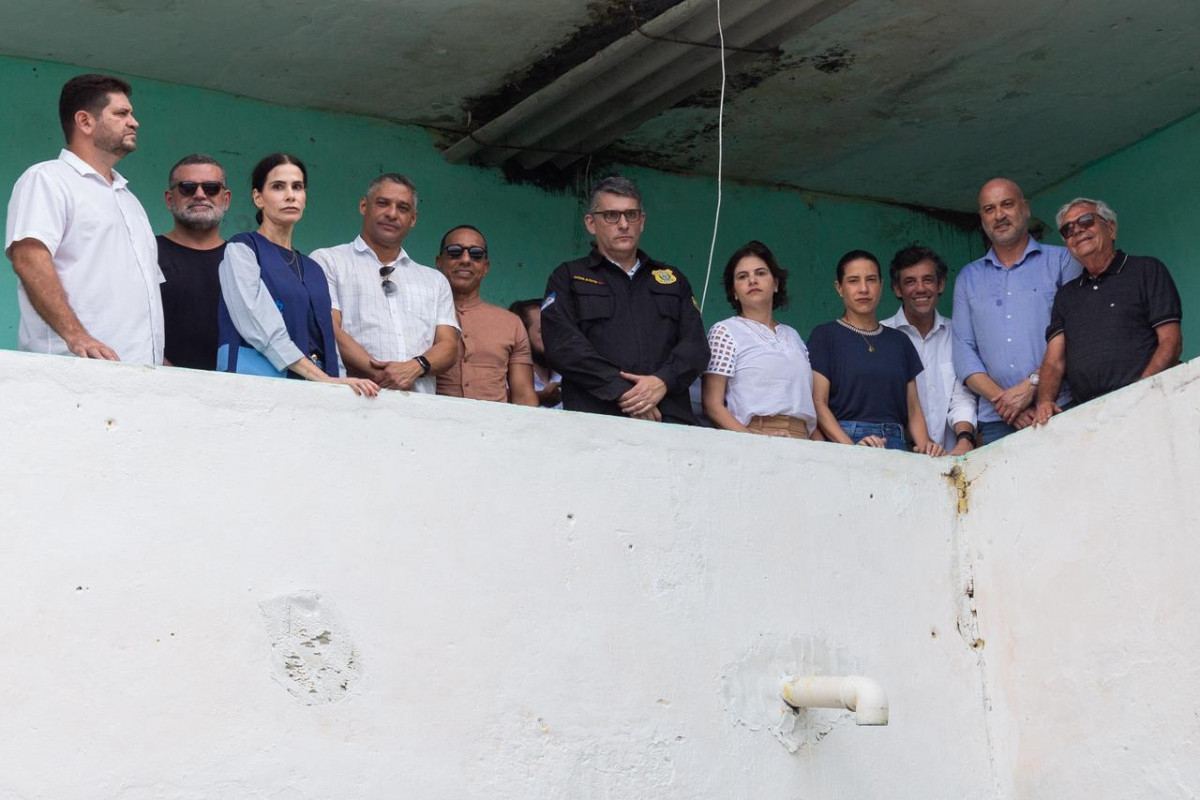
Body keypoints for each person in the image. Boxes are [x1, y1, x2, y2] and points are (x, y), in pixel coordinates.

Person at [5, 73, 164, 364]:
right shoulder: (47, 179)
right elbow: (28, 259)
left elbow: (143, 292)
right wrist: (76, 336)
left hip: (139, 377)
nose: (134, 122)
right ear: (85, 121)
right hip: (74, 370)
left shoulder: (129, 200)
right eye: (121, 113)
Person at [541, 176, 709, 424]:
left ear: (642, 221)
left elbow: (695, 345)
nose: (623, 224)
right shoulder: (569, 276)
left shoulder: (672, 280)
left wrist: (662, 381)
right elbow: (563, 345)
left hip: (669, 420)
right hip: (596, 419)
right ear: (591, 223)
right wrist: (625, 391)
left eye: (631, 215)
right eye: (611, 215)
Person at [216, 153, 377, 396]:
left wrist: (340, 384)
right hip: (256, 391)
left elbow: (327, 343)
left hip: (313, 393)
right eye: (278, 187)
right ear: (258, 197)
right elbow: (260, 329)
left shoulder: (313, 268)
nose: (290, 195)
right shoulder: (243, 249)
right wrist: (323, 379)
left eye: (297, 187)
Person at [952, 178, 1080, 444]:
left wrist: (1031, 385)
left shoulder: (1062, 260)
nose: (999, 215)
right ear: (982, 217)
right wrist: (1005, 403)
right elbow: (964, 352)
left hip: (1058, 406)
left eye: (1007, 205)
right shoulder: (968, 277)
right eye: (989, 209)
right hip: (997, 420)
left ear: (1025, 208)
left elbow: (1076, 332)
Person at [1033, 199, 1183, 425]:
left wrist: (1141, 391)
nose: (1078, 230)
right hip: (1093, 419)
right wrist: (1044, 401)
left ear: (1111, 228)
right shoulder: (1065, 296)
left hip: (1151, 403)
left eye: (1086, 220)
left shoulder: (1146, 270)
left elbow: (1171, 342)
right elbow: (1054, 361)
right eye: (1068, 229)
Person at [311, 174, 458, 393]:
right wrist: (383, 376)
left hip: (420, 410)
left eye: (403, 208)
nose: (391, 214)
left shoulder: (434, 280)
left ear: (413, 219)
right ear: (364, 205)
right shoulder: (329, 261)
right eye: (382, 203)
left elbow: (449, 346)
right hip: (353, 399)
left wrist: (415, 367)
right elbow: (328, 329)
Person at [808, 250, 944, 455]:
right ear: (840, 288)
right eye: (853, 281)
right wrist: (850, 449)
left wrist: (927, 447)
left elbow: (913, 410)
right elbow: (818, 403)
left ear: (881, 285)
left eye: (870, 280)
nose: (863, 289)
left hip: (897, 444)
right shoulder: (825, 335)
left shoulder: (899, 341)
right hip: (846, 441)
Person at [701, 240, 815, 438]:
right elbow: (712, 404)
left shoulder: (793, 336)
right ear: (734, 292)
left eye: (760, 273)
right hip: (754, 435)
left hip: (802, 439)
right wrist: (753, 442)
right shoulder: (725, 331)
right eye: (742, 276)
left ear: (776, 283)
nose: (752, 280)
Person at [882, 245, 977, 454]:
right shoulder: (881, 336)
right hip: (898, 457)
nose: (920, 288)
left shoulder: (958, 334)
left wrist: (965, 439)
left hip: (954, 457)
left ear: (940, 284)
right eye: (910, 282)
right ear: (897, 289)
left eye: (927, 279)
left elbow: (963, 396)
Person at [435, 226, 537, 405]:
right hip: (429, 424)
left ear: (485, 267)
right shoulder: (420, 313)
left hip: (494, 429)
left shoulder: (511, 323)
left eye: (476, 254)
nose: (465, 260)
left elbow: (524, 396)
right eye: (454, 252)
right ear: (439, 261)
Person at [157, 153, 231, 370]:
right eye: (187, 187)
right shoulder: (146, 253)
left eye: (211, 188)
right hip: (158, 386)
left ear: (226, 199)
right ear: (169, 199)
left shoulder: (244, 260)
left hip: (234, 391)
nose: (200, 195)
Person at [509, 298, 563, 408]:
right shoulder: (504, 379)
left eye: (555, 329)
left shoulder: (568, 374)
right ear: (522, 335)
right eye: (543, 330)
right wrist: (540, 397)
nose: (553, 336)